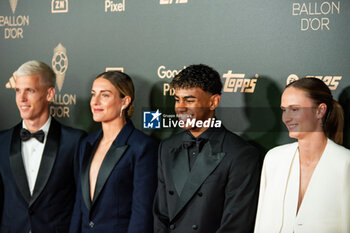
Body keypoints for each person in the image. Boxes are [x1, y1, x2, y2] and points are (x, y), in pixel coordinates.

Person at [153, 64, 261, 233]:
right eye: (177, 99)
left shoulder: (241, 154)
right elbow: (161, 214)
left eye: (189, 100)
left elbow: (236, 225)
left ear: (213, 102)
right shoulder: (167, 148)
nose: (180, 107)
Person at [254, 77, 350, 233]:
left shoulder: (345, 163)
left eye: (295, 109)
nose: (286, 118)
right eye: (284, 110)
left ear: (320, 111)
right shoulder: (274, 159)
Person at [0, 60, 85, 233]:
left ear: (50, 94)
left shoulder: (74, 142)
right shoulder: (2, 141)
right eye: (18, 91)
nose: (21, 98)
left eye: (30, 90)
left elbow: (81, 202)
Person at [69, 71, 158, 233]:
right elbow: (79, 205)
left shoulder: (142, 147)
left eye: (105, 95)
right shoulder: (86, 143)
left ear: (124, 101)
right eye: (93, 94)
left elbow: (142, 212)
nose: (95, 102)